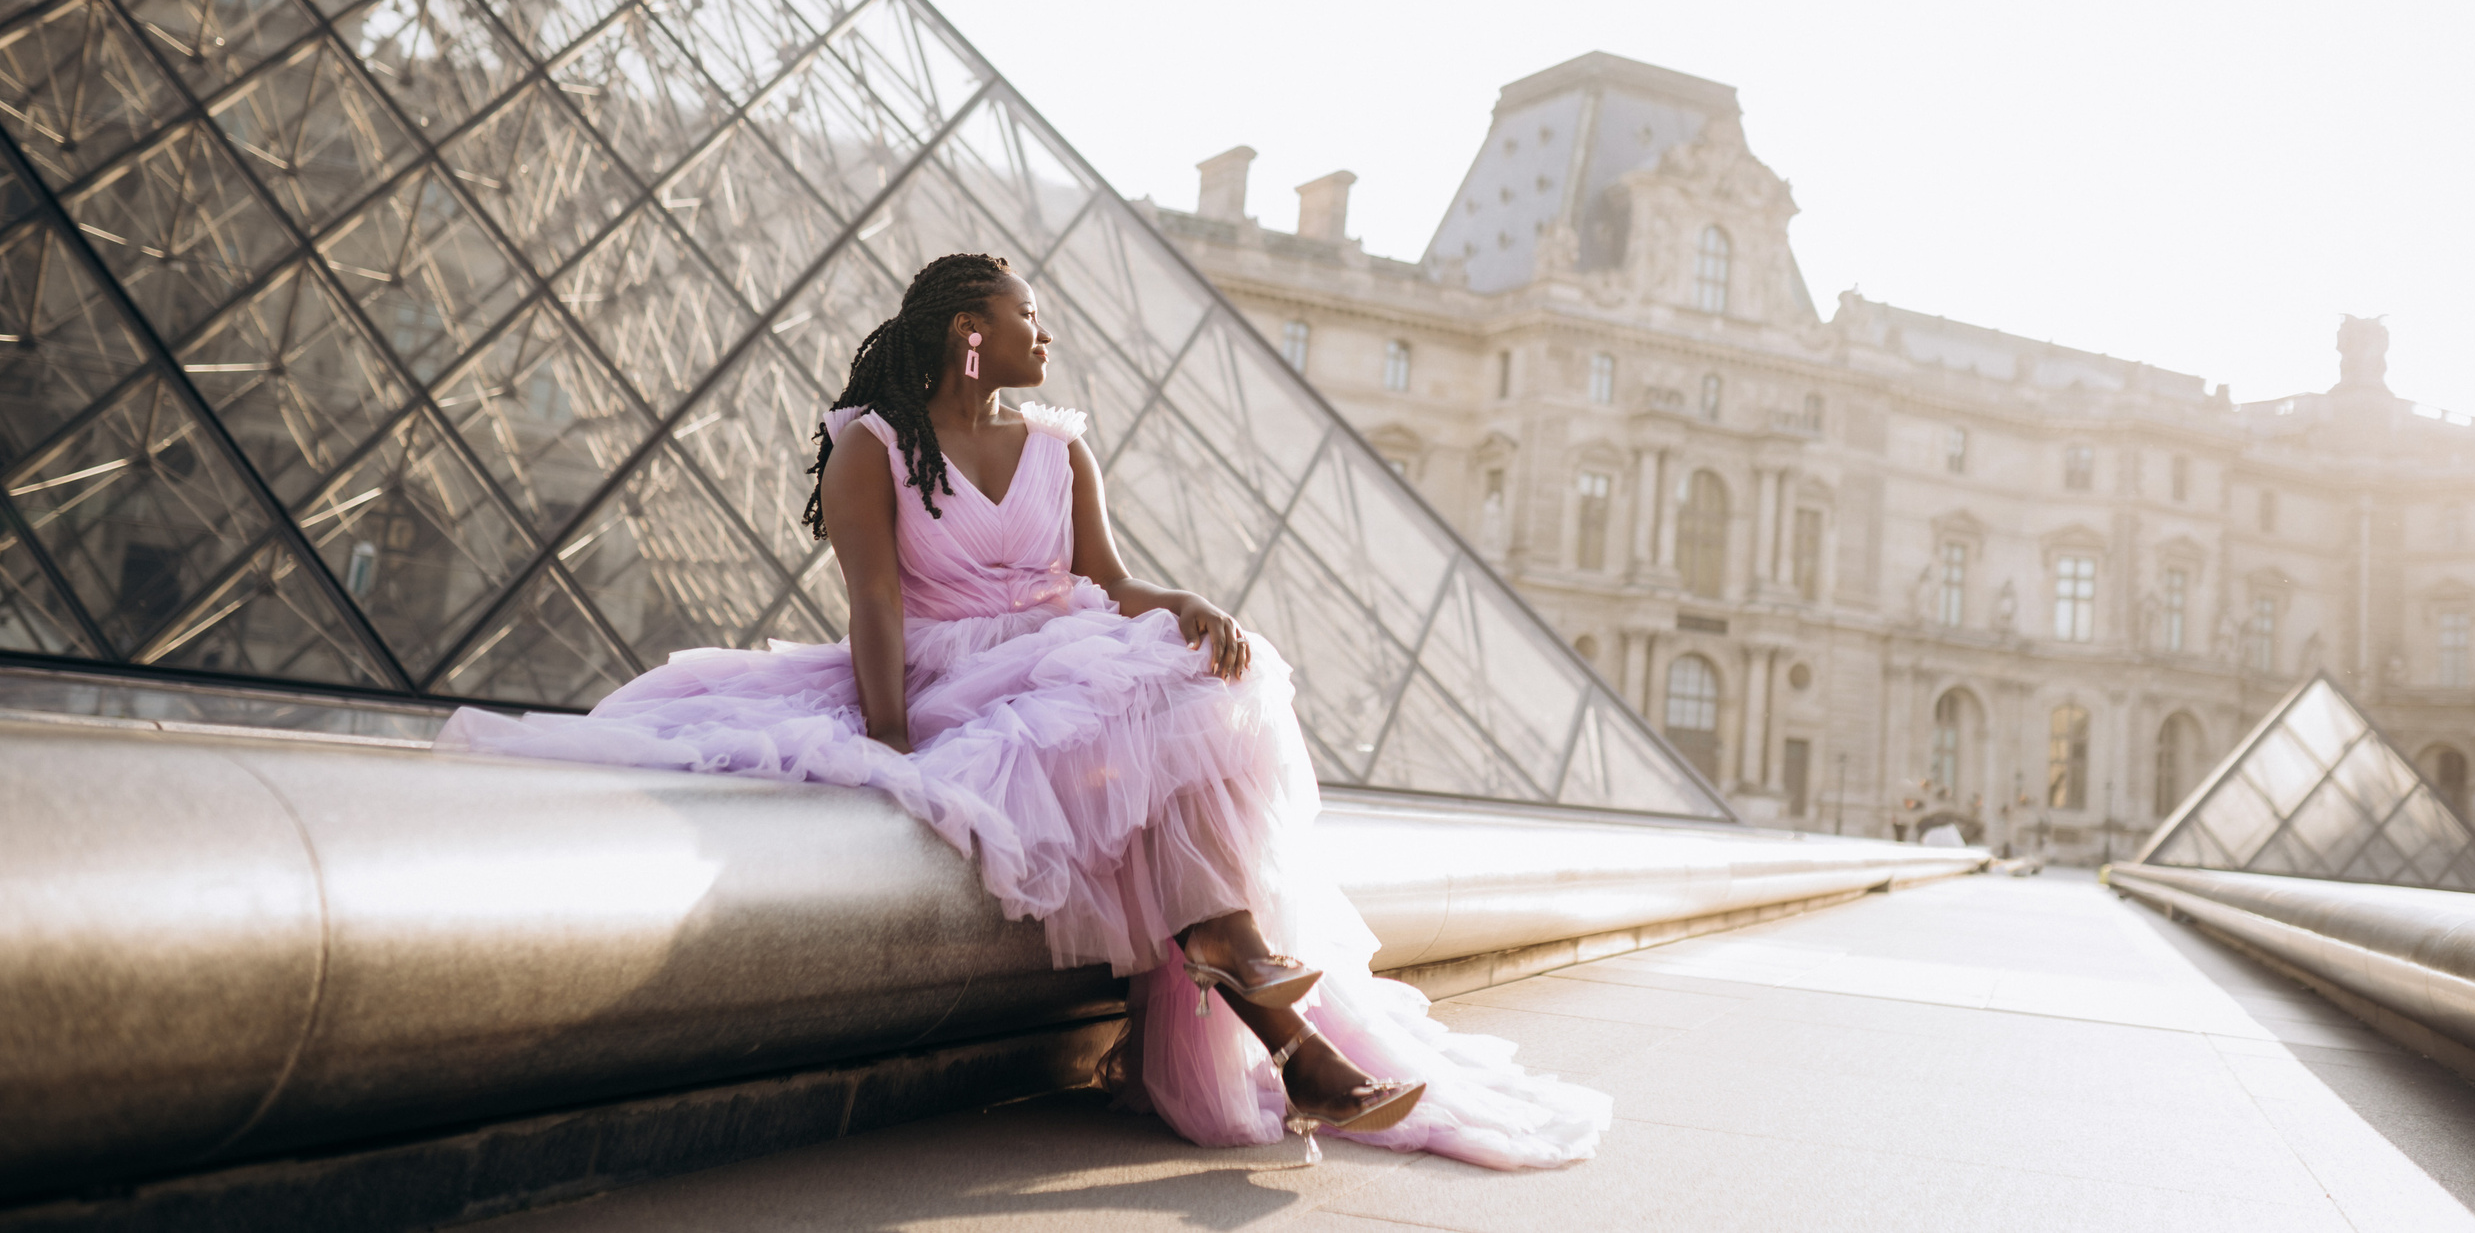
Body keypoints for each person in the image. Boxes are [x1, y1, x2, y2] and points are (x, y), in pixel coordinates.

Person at [439, 253, 1606, 1168]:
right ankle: (1263, 1000)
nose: (1048, 335)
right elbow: (877, 606)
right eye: (1029, 316)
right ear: (970, 334)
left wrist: (1184, 602)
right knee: (1136, 734)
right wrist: (892, 745)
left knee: (1184, 685)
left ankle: (1253, 985)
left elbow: (1107, 579)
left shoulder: (1060, 447)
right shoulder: (873, 447)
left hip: (1062, 656)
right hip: (950, 678)